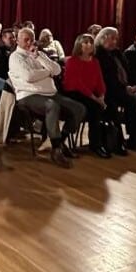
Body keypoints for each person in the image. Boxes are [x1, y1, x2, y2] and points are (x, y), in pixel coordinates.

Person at [9, 28, 85, 168]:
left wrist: (39, 57)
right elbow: (29, 77)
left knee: (79, 108)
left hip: (50, 93)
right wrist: (47, 72)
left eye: (32, 39)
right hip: (28, 95)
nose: (29, 42)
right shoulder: (15, 57)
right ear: (18, 41)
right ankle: (56, 150)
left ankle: (60, 142)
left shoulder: (39, 54)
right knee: (52, 105)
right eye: (26, 40)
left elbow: (57, 70)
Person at [94, 27, 136, 153]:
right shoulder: (97, 54)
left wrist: (134, 85)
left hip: (122, 87)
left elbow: (129, 71)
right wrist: (125, 88)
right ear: (102, 38)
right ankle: (129, 139)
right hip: (107, 90)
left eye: (116, 39)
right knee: (132, 101)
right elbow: (106, 78)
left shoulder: (117, 53)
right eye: (112, 39)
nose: (115, 42)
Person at [62, 34, 112, 158]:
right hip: (74, 93)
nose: (89, 45)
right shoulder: (72, 61)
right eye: (85, 42)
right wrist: (95, 99)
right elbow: (77, 84)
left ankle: (108, 142)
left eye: (91, 42)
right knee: (96, 108)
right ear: (79, 45)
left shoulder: (95, 61)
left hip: (90, 94)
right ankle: (96, 145)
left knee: (107, 106)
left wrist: (102, 96)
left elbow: (100, 81)